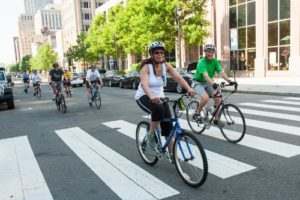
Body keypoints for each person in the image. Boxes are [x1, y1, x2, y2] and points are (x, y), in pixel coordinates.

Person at [135, 41, 195, 162]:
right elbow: (144, 84)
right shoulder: (146, 67)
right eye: (157, 52)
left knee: (168, 125)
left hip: (160, 97)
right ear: (151, 54)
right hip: (144, 96)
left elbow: (178, 77)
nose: (160, 54)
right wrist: (151, 96)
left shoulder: (165, 66)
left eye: (162, 52)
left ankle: (172, 155)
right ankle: (150, 136)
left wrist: (189, 89)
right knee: (158, 110)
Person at [193, 44, 234, 126]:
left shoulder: (215, 61)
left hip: (208, 83)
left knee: (218, 97)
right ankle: (197, 113)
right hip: (198, 83)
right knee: (205, 98)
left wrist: (230, 81)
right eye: (208, 51)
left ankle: (216, 119)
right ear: (205, 52)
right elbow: (205, 75)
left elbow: (221, 72)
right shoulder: (201, 62)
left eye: (212, 51)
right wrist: (213, 84)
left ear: (214, 52)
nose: (210, 53)